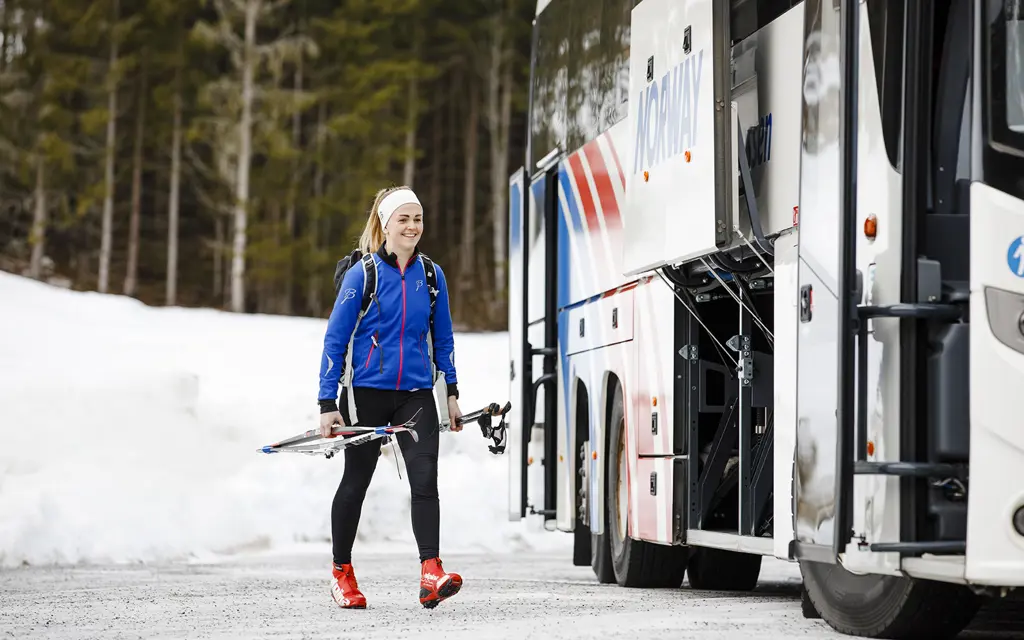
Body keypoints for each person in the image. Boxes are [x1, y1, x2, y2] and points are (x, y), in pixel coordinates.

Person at [316, 185, 464, 610]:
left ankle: (430, 571)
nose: (413, 226)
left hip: (416, 394)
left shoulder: (432, 276)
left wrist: (451, 393)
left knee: (425, 479)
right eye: (404, 218)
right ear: (385, 224)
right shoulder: (363, 275)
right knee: (356, 482)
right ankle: (341, 572)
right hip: (366, 394)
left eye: (418, 218)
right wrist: (329, 403)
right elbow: (335, 339)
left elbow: (443, 338)